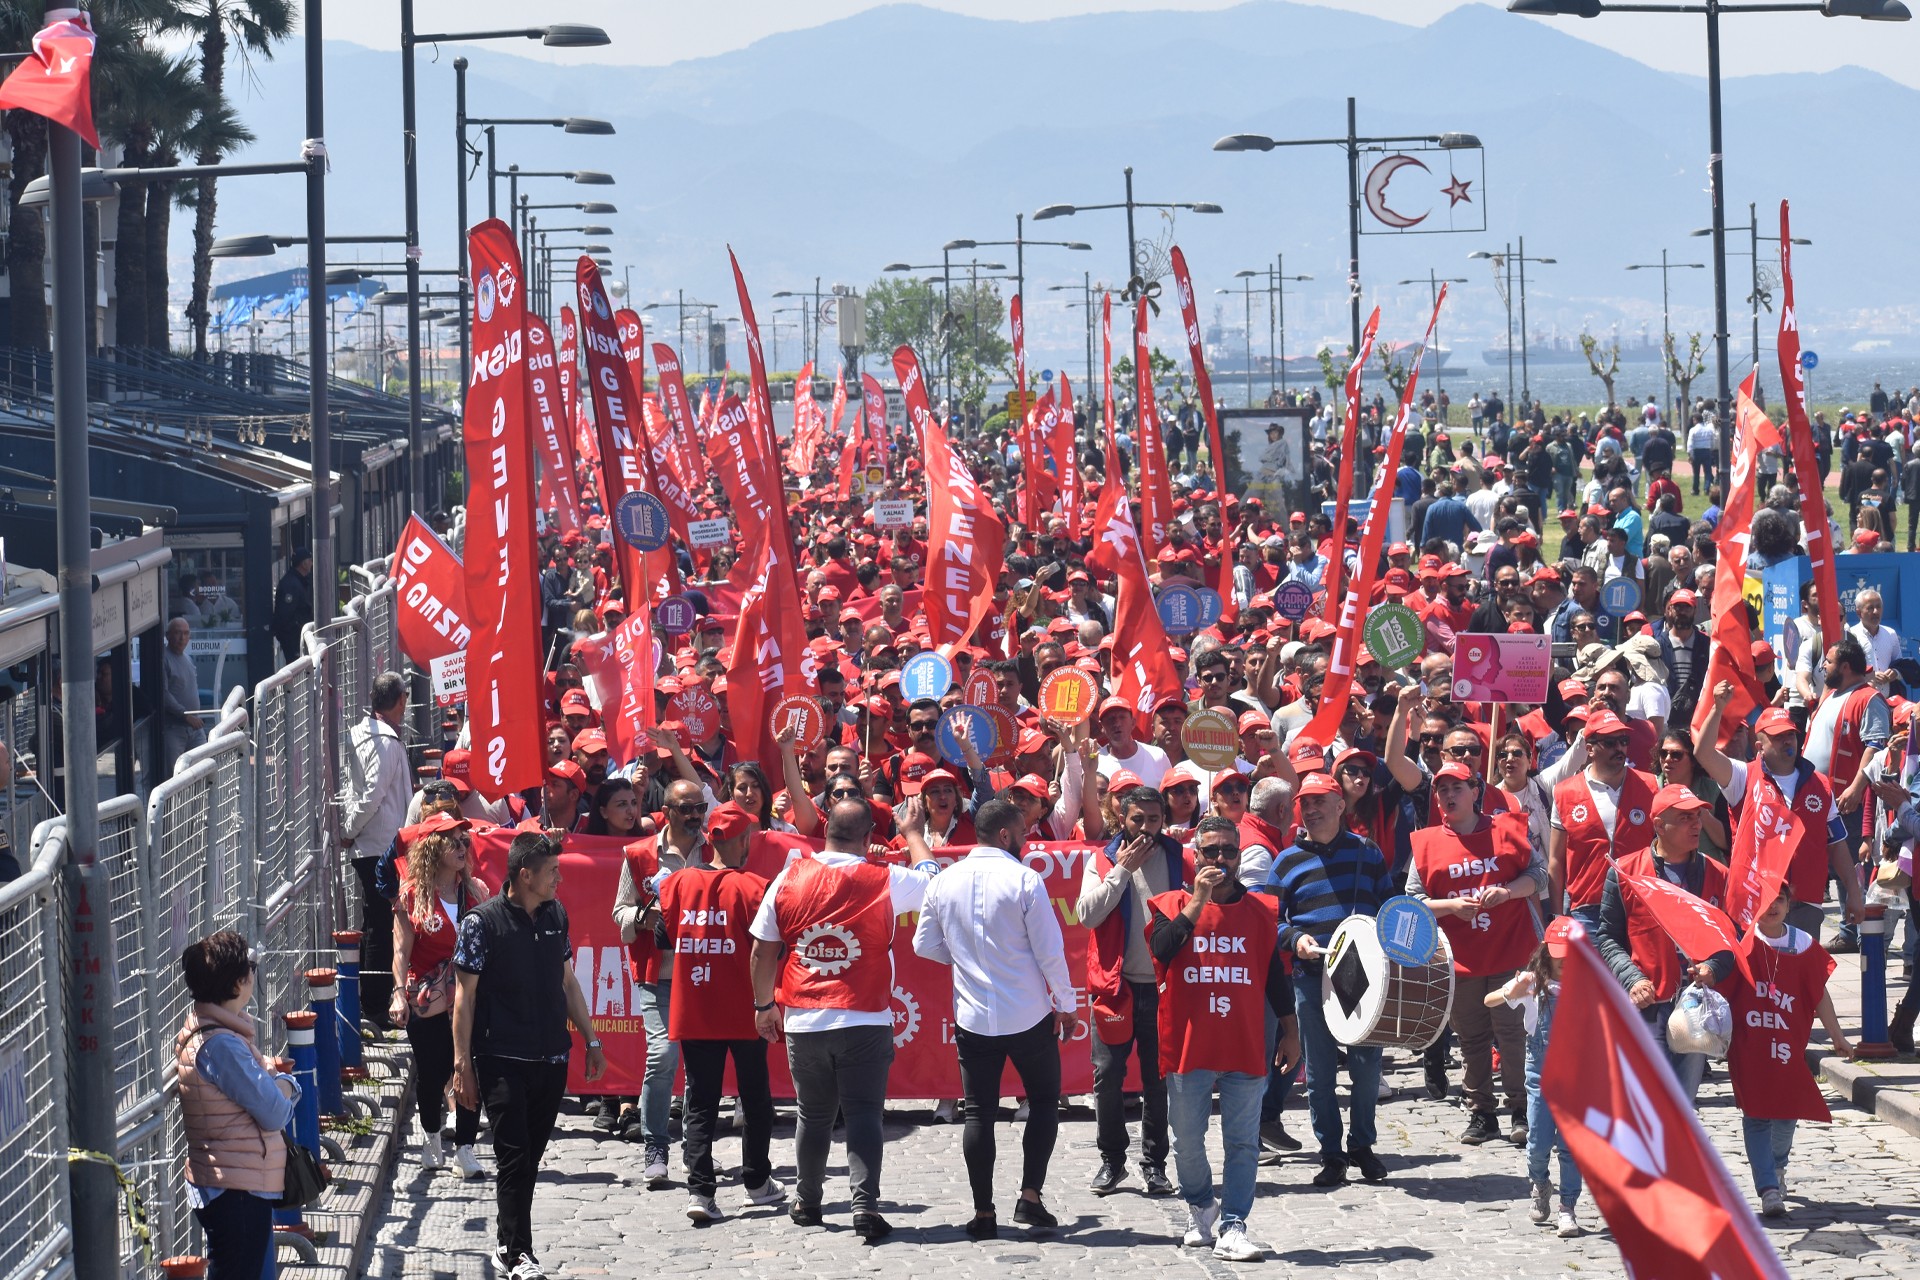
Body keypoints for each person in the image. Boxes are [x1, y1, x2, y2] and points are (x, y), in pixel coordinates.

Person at [749, 799, 930, 1240]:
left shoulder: (787, 878)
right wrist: (912, 833)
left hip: (804, 1017)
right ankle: (864, 1207)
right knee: (865, 1113)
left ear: (826, 828)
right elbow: (934, 881)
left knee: (812, 1115)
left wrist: (761, 1006)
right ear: (869, 838)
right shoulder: (886, 878)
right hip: (864, 1016)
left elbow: (761, 951)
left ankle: (807, 1202)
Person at [913, 794, 1077, 1238]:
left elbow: (923, 944)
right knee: (1043, 1101)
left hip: (973, 1019)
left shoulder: (944, 881)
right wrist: (1067, 1003)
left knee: (978, 1114)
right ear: (1005, 834)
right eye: (1022, 832)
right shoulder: (1025, 880)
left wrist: (965, 958)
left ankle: (983, 1213)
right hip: (1027, 1014)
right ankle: (1030, 1198)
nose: (1026, 839)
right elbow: (1049, 950)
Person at [454, 832, 607, 1280]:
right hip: (501, 1058)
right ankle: (516, 1250)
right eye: (553, 872)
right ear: (526, 876)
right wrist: (462, 1064)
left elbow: (569, 983)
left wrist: (591, 1040)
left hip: (551, 1059)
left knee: (530, 1158)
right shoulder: (481, 924)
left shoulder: (556, 913)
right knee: (514, 1156)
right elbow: (464, 998)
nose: (560, 878)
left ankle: (511, 1241)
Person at [1147, 816, 1299, 1262]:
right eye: (1210, 851)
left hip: (1244, 1041)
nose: (1219, 859)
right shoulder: (1170, 903)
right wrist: (1197, 901)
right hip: (1189, 1044)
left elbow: (1274, 977)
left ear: (1239, 856)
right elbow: (1162, 950)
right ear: (1195, 855)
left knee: (1243, 1141)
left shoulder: (1261, 911)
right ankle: (1200, 1206)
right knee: (1186, 1140)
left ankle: (1234, 1224)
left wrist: (1290, 1032)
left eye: (1228, 851)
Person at [654, 801, 785, 1221]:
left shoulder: (676, 883)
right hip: (746, 1010)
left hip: (696, 1009)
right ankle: (757, 1182)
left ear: (710, 839)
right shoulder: (755, 887)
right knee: (755, 1098)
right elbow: (772, 948)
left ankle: (700, 1192)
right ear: (743, 840)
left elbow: (662, 937)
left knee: (701, 1102)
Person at [1269, 770, 1395, 1187]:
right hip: (1310, 976)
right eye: (1306, 802)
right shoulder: (1285, 861)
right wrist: (1294, 938)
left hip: (1362, 975)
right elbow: (1270, 921)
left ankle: (1362, 1145)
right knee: (1320, 1073)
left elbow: (1389, 905)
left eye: (1321, 800)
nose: (1312, 808)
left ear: (1341, 806)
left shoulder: (1368, 852)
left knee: (1366, 1066)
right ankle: (1332, 1154)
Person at [1407, 762, 1543, 1146]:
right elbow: (1412, 901)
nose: (1449, 795)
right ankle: (1482, 1112)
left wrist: (1508, 892)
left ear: (1475, 791)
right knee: (1472, 1038)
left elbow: (1539, 876)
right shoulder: (1427, 841)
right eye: (1442, 789)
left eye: (1457, 788)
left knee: (1514, 1035)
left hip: (1512, 951)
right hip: (1461, 959)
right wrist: (1449, 908)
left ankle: (1521, 1108)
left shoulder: (1508, 829)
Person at [1076, 784, 1186, 1197]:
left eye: (1153, 820)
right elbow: (1087, 915)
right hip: (1115, 988)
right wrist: (1121, 870)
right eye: (1136, 819)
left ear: (1164, 820)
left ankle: (1155, 1165)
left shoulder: (1178, 858)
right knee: (1107, 1076)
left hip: (1164, 989)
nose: (1144, 828)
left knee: (1159, 1081)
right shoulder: (1102, 859)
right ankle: (1112, 1161)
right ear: (1121, 817)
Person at [1594, 783, 1735, 1103]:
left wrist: (1714, 967)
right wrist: (1632, 979)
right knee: (1649, 1102)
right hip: (1647, 1005)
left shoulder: (1717, 874)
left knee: (1682, 1104)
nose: (1696, 824)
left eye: (1697, 816)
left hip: (1697, 1007)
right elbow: (1607, 937)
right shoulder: (1625, 872)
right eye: (1685, 817)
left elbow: (1731, 939)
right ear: (1659, 825)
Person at [177, 930, 301, 1280]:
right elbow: (275, 1111)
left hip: (231, 1179)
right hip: (236, 1188)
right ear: (236, 984)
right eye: (249, 969)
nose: (253, 974)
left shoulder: (215, 1034)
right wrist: (285, 1084)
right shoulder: (222, 1046)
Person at [1696, 684, 1864, 943]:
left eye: (1790, 734)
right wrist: (1718, 708)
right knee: (1757, 980)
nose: (1786, 740)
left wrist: (1853, 892)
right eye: (1776, 736)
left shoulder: (1820, 785)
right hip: (1756, 899)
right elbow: (1704, 754)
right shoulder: (1743, 776)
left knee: (1801, 977)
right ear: (1758, 745)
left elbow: (1836, 844)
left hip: (1805, 901)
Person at [1727, 883, 1853, 1217]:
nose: (1772, 906)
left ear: (1789, 903)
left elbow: (1819, 993)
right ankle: (1768, 1188)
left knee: (1786, 1113)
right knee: (1756, 1115)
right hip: (1749, 1048)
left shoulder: (1803, 944)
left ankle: (1778, 1165)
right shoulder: (1741, 943)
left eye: (1779, 899)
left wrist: (1836, 1036)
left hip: (1787, 1048)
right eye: (1765, 900)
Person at [611, 778, 709, 1182]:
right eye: (685, 808)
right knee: (663, 1055)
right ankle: (655, 1145)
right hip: (657, 974)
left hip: (704, 974)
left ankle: (695, 1148)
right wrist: (642, 919)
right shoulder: (638, 855)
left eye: (699, 808)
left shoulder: (715, 848)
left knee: (701, 1065)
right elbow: (619, 913)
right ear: (666, 811)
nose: (694, 816)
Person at [389, 812, 489, 1178]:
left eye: (465, 841)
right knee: (433, 1074)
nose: (462, 847)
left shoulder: (476, 891)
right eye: (452, 841)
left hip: (469, 995)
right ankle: (432, 1136)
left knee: (470, 1067)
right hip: (427, 997)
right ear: (433, 847)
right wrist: (399, 993)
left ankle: (465, 1147)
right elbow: (401, 952)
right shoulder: (412, 895)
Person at [1487, 919, 1585, 1239]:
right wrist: (1509, 991)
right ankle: (1540, 1182)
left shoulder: (1588, 985)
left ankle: (1567, 1208)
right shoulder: (1532, 982)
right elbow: (1489, 1001)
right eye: (1559, 954)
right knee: (1538, 1144)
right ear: (1546, 953)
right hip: (1540, 1074)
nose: (1565, 961)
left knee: (1571, 1148)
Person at [343, 672, 413, 1023]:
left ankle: (374, 1002)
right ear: (400, 701)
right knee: (382, 926)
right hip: (379, 847)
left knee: (378, 922)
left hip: (375, 844)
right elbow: (372, 794)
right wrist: (349, 830)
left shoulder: (370, 735)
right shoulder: (384, 741)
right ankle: (374, 1004)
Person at [1547, 709, 1658, 924]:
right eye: (1609, 743)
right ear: (1589, 749)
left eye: (1623, 741)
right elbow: (1556, 860)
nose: (1619, 748)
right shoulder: (1564, 792)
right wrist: (1556, 916)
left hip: (1640, 904)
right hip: (1587, 911)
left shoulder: (1651, 785)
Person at [162, 615, 205, 778]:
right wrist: (185, 715)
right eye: (178, 633)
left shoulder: (187, 658)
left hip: (195, 727)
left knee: (202, 769)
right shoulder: (164, 659)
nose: (182, 638)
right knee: (175, 776)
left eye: (186, 633)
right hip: (174, 728)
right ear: (168, 636)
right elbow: (164, 694)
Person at [272, 547, 314, 665]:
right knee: (296, 669)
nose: (312, 563)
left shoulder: (299, 581)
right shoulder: (292, 584)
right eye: (310, 560)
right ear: (303, 563)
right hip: (293, 638)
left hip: (297, 636)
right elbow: (285, 614)